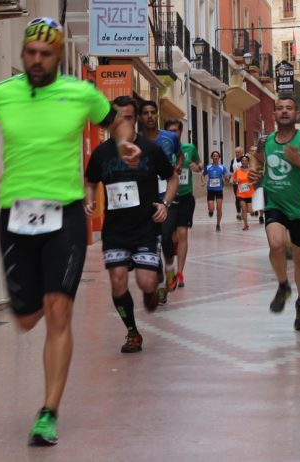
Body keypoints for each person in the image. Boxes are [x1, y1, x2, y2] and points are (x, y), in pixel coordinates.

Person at [0, 17, 140, 446]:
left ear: (58, 55)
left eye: (45, 54)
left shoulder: (80, 93)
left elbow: (115, 120)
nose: (37, 60)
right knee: (27, 319)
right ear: (23, 54)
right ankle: (37, 300)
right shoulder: (4, 94)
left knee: (59, 312)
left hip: (66, 215)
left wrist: (123, 141)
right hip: (17, 215)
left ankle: (48, 411)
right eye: (31, 53)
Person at [85, 96, 179, 353]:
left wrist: (165, 204)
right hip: (115, 230)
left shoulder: (149, 149)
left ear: (135, 119)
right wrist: (90, 200)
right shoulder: (102, 153)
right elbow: (90, 181)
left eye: (127, 117)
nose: (121, 122)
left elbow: (172, 178)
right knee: (117, 281)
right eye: (116, 117)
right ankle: (132, 332)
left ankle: (152, 284)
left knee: (147, 284)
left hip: (145, 227)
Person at [249, 97, 300, 331]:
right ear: (273, 114)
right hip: (274, 203)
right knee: (276, 244)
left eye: (289, 108)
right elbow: (256, 158)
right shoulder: (266, 141)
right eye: (280, 108)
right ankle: (283, 285)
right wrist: (254, 174)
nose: (284, 112)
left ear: (297, 115)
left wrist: (299, 162)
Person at [137, 100, 183, 304]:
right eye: (145, 113)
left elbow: (180, 155)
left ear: (157, 116)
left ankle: (170, 268)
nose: (148, 116)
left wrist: (177, 168)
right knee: (151, 243)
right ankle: (159, 280)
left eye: (152, 112)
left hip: (168, 194)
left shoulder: (170, 138)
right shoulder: (136, 141)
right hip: (147, 197)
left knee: (165, 236)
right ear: (140, 117)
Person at [164, 119, 203, 288]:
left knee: (182, 234)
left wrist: (197, 166)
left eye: (176, 130)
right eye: (170, 130)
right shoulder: (162, 149)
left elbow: (200, 164)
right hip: (168, 198)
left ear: (181, 132)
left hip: (186, 197)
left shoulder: (190, 149)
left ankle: (179, 273)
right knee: (169, 237)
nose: (173, 133)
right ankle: (170, 265)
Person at [202, 150, 231, 231]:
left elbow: (227, 176)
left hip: (219, 190)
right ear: (212, 157)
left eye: (217, 156)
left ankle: (218, 224)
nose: (215, 157)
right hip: (210, 190)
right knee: (211, 208)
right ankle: (210, 211)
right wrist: (203, 181)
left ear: (219, 157)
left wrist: (227, 178)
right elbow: (203, 175)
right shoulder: (208, 167)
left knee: (219, 208)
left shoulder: (222, 167)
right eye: (214, 156)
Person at [233, 154, 255, 230]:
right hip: (241, 193)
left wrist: (251, 183)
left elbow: (256, 180)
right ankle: (246, 224)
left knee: (249, 210)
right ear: (241, 162)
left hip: (249, 193)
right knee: (243, 208)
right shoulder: (237, 171)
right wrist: (236, 180)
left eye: (245, 160)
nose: (244, 162)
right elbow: (234, 180)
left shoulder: (251, 170)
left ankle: (252, 212)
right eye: (242, 160)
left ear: (248, 162)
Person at [230, 147, 244, 220]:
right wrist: (231, 177)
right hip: (236, 183)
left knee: (244, 197)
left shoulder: (245, 160)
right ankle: (238, 212)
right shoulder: (233, 161)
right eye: (236, 152)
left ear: (242, 153)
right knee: (237, 198)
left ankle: (244, 211)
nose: (237, 154)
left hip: (244, 182)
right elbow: (231, 171)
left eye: (238, 152)